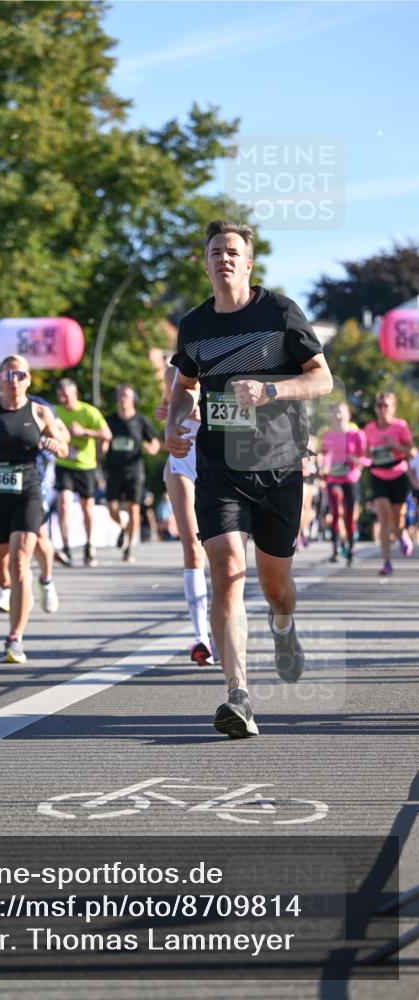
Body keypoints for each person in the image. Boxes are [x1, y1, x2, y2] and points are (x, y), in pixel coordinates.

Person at [167, 220, 333, 739]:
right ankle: (237, 694)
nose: (224, 258)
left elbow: (322, 378)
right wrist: (174, 423)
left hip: (279, 465)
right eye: (215, 251)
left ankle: (282, 626)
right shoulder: (194, 324)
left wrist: (270, 391)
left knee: (275, 587)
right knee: (227, 569)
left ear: (249, 262)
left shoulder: (279, 312)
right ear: (206, 263)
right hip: (219, 468)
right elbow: (184, 386)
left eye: (233, 251)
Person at [0, 355, 66, 664]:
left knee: (20, 562)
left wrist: (54, 445)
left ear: (28, 379)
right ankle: (12, 590)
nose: (13, 380)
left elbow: (63, 446)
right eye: (8, 374)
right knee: (0, 571)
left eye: (19, 375)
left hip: (28, 490)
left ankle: (15, 638)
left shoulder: (40, 412)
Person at [156, 365, 216, 664]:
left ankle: (221, 629)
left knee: (220, 553)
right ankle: (201, 636)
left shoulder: (223, 365)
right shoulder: (173, 373)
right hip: (181, 460)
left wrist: (204, 415)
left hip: (216, 461)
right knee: (192, 548)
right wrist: (166, 414)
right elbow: (167, 409)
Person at [53, 378, 111, 567]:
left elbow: (107, 434)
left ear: (75, 394)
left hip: (86, 466)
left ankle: (89, 544)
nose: (63, 399)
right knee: (63, 503)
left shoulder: (88, 411)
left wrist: (84, 432)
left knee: (87, 507)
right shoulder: (55, 412)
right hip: (64, 464)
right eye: (60, 396)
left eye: (67, 395)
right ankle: (66, 546)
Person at [104, 383, 161, 563]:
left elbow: (155, 441)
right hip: (114, 469)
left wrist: (152, 449)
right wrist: (101, 447)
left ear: (133, 400)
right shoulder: (109, 420)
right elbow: (102, 438)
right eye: (120, 396)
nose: (122, 399)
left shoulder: (140, 420)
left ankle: (128, 547)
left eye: (126, 396)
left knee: (134, 508)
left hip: (134, 470)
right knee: (112, 508)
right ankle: (123, 526)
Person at [363, 391, 415, 575]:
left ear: (393, 408)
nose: (382, 409)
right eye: (379, 405)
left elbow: (412, 452)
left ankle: (402, 534)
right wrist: (368, 456)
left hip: (398, 474)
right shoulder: (369, 428)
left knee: (397, 519)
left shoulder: (400, 426)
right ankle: (387, 562)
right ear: (375, 408)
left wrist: (394, 446)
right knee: (384, 518)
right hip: (378, 474)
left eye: (386, 405)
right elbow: (366, 453)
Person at [320, 403, 367, 565]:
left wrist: (357, 462)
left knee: (349, 515)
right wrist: (324, 466)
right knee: (335, 514)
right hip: (333, 479)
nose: (338, 416)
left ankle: (351, 548)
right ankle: (335, 550)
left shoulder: (357, 435)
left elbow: (365, 458)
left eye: (340, 412)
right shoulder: (328, 436)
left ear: (348, 414)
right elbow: (325, 456)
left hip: (350, 479)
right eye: (335, 412)